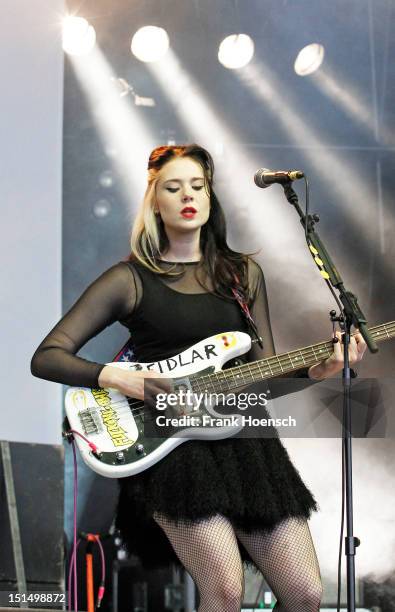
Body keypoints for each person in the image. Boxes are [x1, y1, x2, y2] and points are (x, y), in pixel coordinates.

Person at [31, 144, 366, 611]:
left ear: (210, 199)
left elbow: (257, 377)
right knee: (224, 590)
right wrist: (121, 379)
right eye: (174, 187)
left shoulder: (243, 274)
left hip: (250, 444)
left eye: (198, 185)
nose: (188, 195)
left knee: (306, 593)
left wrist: (320, 369)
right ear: (156, 202)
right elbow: (47, 357)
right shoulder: (130, 280)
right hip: (172, 448)